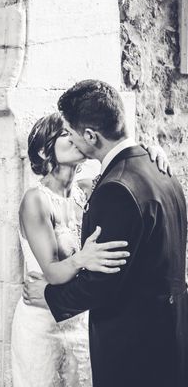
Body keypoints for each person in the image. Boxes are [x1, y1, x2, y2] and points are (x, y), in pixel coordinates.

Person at [23, 79, 188, 387]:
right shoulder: (160, 169)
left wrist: (47, 295)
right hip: (171, 335)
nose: (71, 139)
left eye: (71, 132)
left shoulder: (116, 189)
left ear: (90, 135)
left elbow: (102, 284)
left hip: (134, 347)